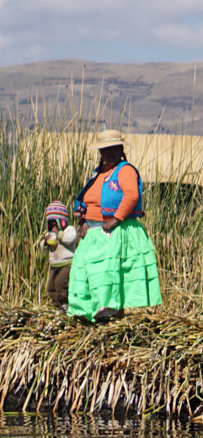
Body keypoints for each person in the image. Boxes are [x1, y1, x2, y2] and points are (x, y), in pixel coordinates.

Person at [67, 130, 162, 324]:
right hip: (94, 233)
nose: (109, 153)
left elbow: (131, 195)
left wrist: (116, 218)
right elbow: (87, 202)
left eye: (113, 149)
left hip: (112, 232)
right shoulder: (98, 173)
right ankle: (88, 314)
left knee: (108, 273)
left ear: (121, 149)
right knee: (84, 272)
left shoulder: (125, 170)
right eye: (105, 149)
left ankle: (109, 318)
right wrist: (83, 221)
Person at [40, 200, 79, 309]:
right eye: (51, 223)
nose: (53, 226)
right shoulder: (50, 234)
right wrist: (46, 242)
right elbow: (43, 248)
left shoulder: (69, 230)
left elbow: (70, 240)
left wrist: (59, 234)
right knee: (51, 286)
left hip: (67, 263)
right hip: (54, 264)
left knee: (61, 283)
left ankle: (65, 303)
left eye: (55, 222)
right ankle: (56, 304)